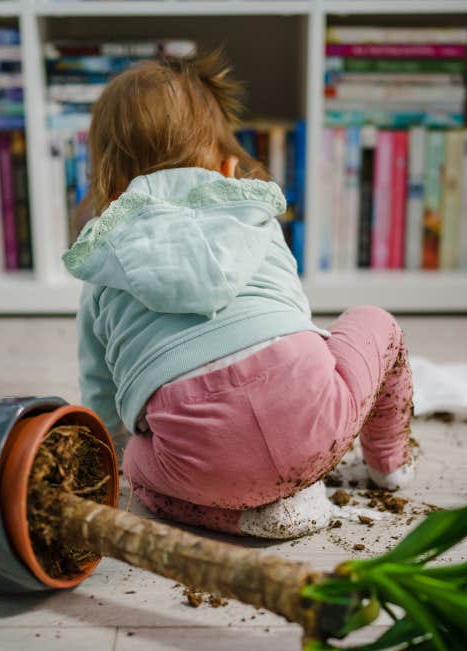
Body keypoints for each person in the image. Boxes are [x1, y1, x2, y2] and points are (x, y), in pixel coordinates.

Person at [63, 50, 414, 538]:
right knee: (376, 323)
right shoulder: (254, 215)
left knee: (140, 474)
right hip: (316, 423)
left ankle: (244, 515)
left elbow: (100, 392)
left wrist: (124, 452)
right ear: (229, 167)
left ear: (112, 185)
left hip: (196, 464)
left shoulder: (102, 262)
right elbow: (293, 313)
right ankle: (390, 466)